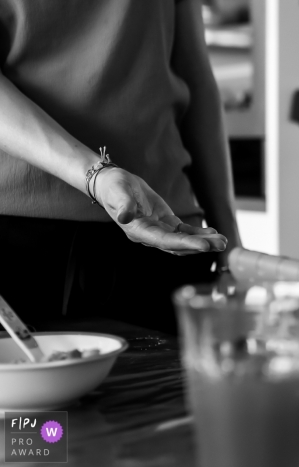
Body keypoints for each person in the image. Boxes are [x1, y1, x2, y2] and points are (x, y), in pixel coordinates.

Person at [0, 0, 241, 335]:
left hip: (168, 233)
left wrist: (231, 238)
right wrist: (96, 176)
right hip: (18, 244)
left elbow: (193, 72)